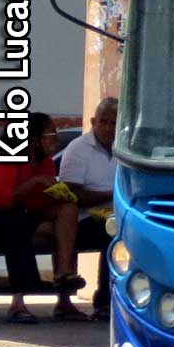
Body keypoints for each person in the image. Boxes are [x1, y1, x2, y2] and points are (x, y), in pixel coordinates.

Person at [0, 116, 73, 324]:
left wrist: (56, 195)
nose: (55, 140)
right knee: (15, 224)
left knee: (67, 210)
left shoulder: (46, 163)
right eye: (51, 135)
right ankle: (18, 302)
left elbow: (37, 203)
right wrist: (34, 182)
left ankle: (63, 274)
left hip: (26, 215)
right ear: (35, 140)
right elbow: (2, 199)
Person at [54, 98, 117, 320]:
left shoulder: (124, 149)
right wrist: (111, 195)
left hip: (116, 214)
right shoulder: (78, 149)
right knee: (112, 234)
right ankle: (104, 302)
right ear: (93, 121)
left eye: (113, 123)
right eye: (103, 122)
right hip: (82, 220)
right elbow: (71, 195)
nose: (108, 128)